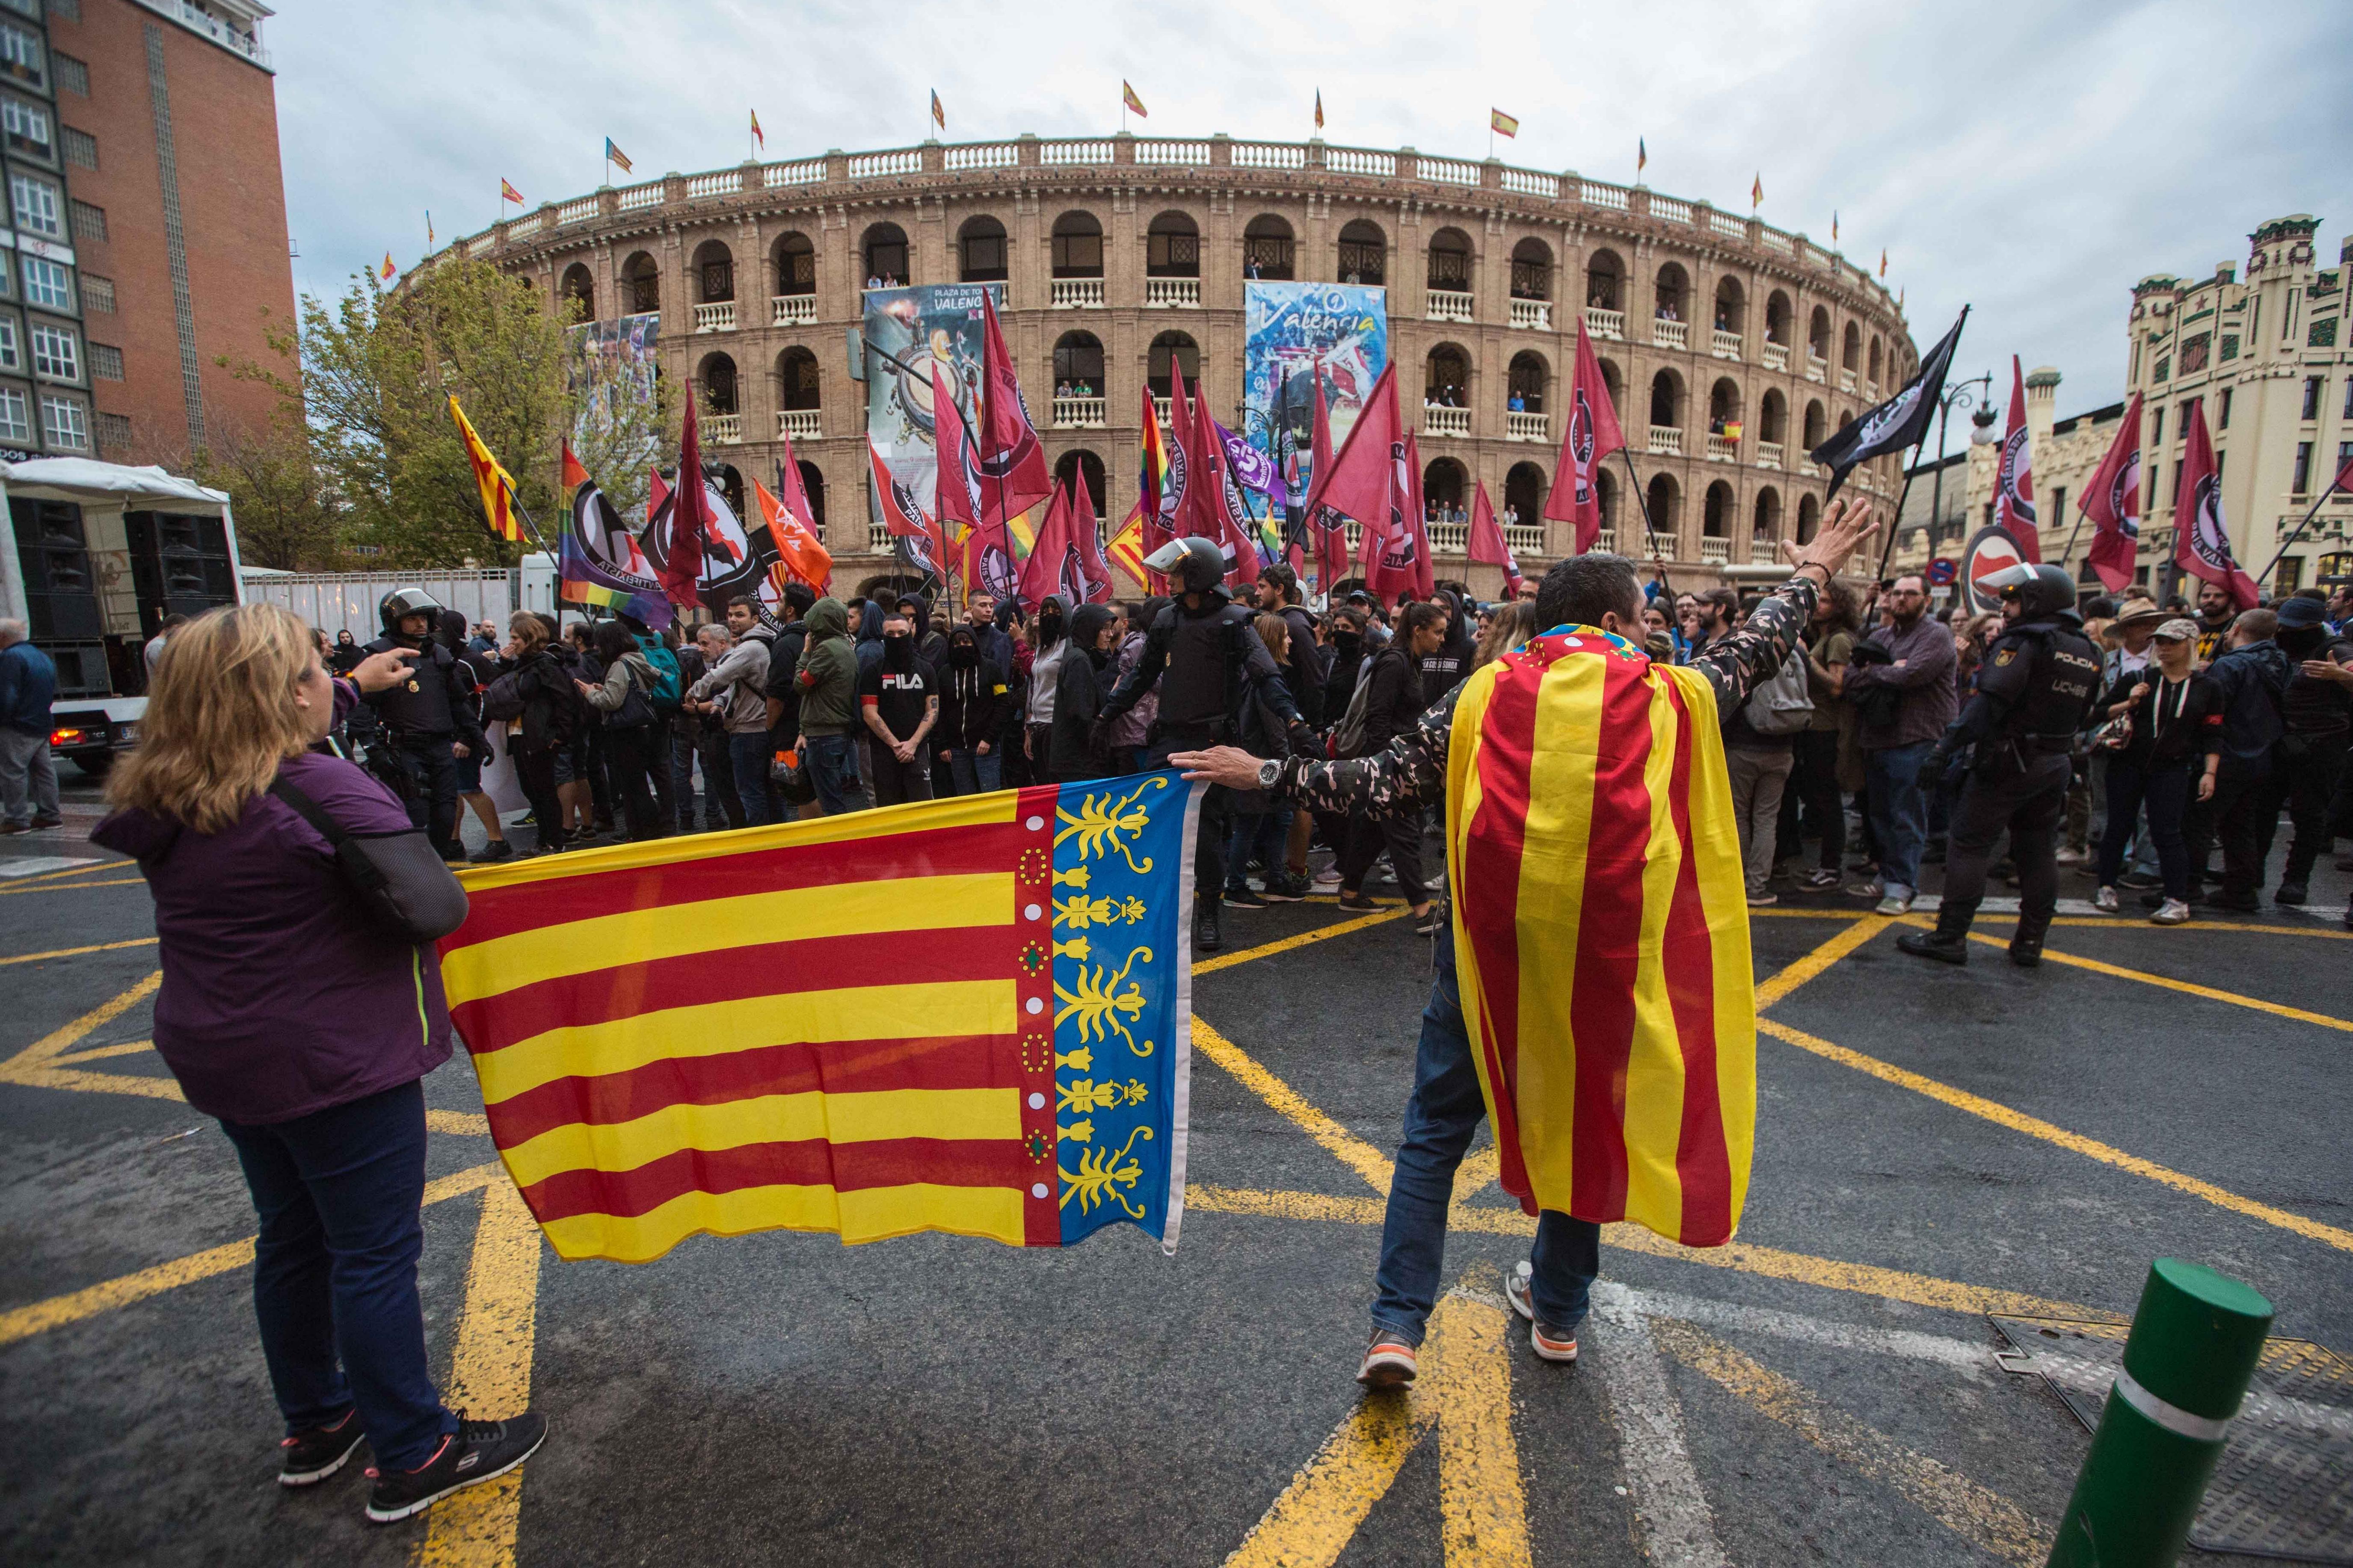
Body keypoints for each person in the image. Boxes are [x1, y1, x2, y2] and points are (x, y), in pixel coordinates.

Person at [1171, 500, 1880, 1385]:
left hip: (1483, 964)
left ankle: (1396, 1328)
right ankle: (1556, 1315)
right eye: (1647, 620)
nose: (1655, 632)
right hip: (1606, 973)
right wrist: (1810, 567)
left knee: (1433, 1133)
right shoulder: (1673, 693)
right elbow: (1764, 642)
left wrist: (1262, 771)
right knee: (1583, 1129)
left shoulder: (1483, 693)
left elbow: (1375, 784)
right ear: (1618, 622)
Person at [91, 604, 548, 1521]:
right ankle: (416, 1450)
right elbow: (435, 906)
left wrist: (348, 689)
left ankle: (316, 1421)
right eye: (311, 673)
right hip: (331, 1057)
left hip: (223, 1049)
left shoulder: (167, 790)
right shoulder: (325, 791)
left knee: (290, 1236)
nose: (324, 685)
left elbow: (259, 744)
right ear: (280, 692)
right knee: (372, 1252)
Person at [1093, 536, 1311, 954]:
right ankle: (1144, 912)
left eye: (1176, 573)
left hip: (1211, 744)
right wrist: (1108, 714)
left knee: (1207, 837)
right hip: (1167, 739)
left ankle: (1208, 913)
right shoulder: (1166, 622)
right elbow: (1141, 675)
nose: (1169, 581)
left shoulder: (1235, 622)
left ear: (1196, 576)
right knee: (1148, 826)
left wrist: (1292, 719)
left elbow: (1267, 678)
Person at [1895, 564, 2101, 966]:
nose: (2005, 608)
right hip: (2055, 761)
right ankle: (2030, 942)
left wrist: (1944, 749)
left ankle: (1950, 938)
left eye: (2013, 599)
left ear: (2037, 600)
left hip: (2008, 761)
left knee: (1969, 844)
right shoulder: (2087, 650)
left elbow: (1988, 705)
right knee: (2039, 851)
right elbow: (2086, 714)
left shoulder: (2025, 642)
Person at [2091, 618, 2223, 923]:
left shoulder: (2208, 687)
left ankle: (2177, 898)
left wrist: (2210, 772)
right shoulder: (2139, 677)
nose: (2163, 648)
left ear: (2190, 644)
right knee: (2118, 827)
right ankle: (2106, 887)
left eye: (2172, 642)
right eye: (2160, 642)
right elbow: (2098, 714)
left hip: (2173, 768)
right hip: (2127, 764)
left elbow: (2214, 733)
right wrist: (2130, 701)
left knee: (2167, 832)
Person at [1840, 574, 1956, 914]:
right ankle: (1887, 876)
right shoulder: (1880, 636)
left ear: (1927, 600)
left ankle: (1903, 885)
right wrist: (1889, 669)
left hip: (1916, 738)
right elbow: (1849, 680)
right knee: (1881, 814)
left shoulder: (1937, 635)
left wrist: (1877, 671)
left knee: (1907, 816)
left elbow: (1913, 675)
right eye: (1897, 594)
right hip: (1878, 738)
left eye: (1910, 594)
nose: (1901, 599)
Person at [1336, 602, 1444, 932]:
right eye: (1438, 632)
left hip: (1398, 761)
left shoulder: (1410, 662)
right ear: (1418, 631)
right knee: (1405, 834)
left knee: (1371, 832)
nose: (1442, 639)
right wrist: (1387, 766)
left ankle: (1351, 892)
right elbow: (1378, 716)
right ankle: (1424, 912)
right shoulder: (1395, 663)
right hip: (1390, 764)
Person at [360, 590, 485, 864]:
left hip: (441, 748)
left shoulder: (439, 655)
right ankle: (416, 876)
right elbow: (361, 707)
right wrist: (372, 748)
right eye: (413, 618)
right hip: (404, 750)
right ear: (395, 621)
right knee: (415, 817)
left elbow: (458, 702)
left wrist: (476, 737)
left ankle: (438, 872)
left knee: (445, 817)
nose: (421, 625)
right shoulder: (379, 655)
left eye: (424, 618)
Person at [2187, 607, 2288, 910]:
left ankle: (2187, 887)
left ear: (2237, 629)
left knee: (2199, 823)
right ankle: (2242, 888)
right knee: (2240, 824)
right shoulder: (2280, 662)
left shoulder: (2230, 666)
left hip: (2226, 754)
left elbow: (2213, 711)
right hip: (2261, 754)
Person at [2261, 593, 2353, 905]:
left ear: (2314, 627)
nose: (2286, 633)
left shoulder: (2334, 649)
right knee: (2263, 808)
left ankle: (2296, 881)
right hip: (2282, 741)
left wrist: (2342, 675)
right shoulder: (2281, 650)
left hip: (2321, 745)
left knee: (2309, 816)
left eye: (2294, 628)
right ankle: (2250, 873)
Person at [1221, 612, 1302, 909]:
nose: (1290, 640)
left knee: (1280, 818)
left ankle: (1276, 879)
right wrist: (1288, 765)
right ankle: (1236, 886)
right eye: (1285, 636)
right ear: (1272, 640)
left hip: (1260, 759)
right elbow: (1275, 727)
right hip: (1262, 762)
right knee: (1250, 823)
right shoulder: (1265, 680)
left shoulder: (1257, 675)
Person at [1789, 578, 1859, 890]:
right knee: (1818, 799)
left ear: (1840, 607)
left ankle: (1831, 868)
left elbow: (1837, 686)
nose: (1819, 606)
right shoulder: (1824, 636)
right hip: (1814, 728)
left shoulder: (1840, 641)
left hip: (1826, 731)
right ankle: (1825, 866)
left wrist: (1806, 657)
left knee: (1829, 801)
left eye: (1827, 601)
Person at [688, 595, 777, 827]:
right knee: (767, 791)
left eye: (740, 615)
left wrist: (695, 691)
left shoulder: (750, 648)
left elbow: (721, 676)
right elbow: (735, 685)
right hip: (759, 726)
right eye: (730, 615)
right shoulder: (761, 644)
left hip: (750, 730)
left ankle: (759, 845)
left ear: (755, 618)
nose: (733, 620)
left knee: (751, 792)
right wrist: (720, 703)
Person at [573, 621, 663, 840]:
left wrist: (590, 694)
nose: (597, 648)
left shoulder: (619, 666)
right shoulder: (638, 660)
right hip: (642, 728)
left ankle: (644, 832)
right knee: (638, 783)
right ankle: (642, 830)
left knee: (633, 785)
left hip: (625, 731)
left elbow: (612, 701)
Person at [860, 606, 939, 804]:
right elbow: (870, 713)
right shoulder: (873, 671)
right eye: (891, 634)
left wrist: (912, 744)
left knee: (922, 808)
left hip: (918, 750)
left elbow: (933, 709)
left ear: (911, 632)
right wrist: (896, 746)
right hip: (884, 752)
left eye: (902, 633)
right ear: (884, 636)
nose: (897, 637)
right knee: (889, 809)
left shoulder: (926, 669)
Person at [794, 598, 861, 815]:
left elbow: (800, 684)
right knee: (831, 795)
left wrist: (805, 653)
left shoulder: (827, 651)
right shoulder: (843, 646)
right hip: (832, 733)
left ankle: (840, 845)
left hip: (824, 736)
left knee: (830, 801)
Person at [0, 618, 59, 833]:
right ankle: (50, 816)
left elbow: (7, 696)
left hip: (18, 725)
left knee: (13, 772)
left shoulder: (10, 657)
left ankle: (16, 820)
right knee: (44, 771)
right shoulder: (40, 656)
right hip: (42, 722)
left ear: (3, 637)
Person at [934, 624, 1009, 794]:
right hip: (956, 749)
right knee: (965, 798)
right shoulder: (944, 673)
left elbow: (1003, 704)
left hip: (986, 747)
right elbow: (938, 710)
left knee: (991, 795)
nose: (962, 646)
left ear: (974, 643)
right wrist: (942, 745)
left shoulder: (991, 669)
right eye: (957, 643)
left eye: (967, 641)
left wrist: (989, 738)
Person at [1050, 603, 1120, 782]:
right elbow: (1081, 712)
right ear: (1090, 629)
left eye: (1111, 629)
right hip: (1078, 763)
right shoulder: (1079, 660)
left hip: (1077, 760)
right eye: (1104, 629)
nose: (1110, 635)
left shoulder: (1082, 657)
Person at [1024, 596, 1068, 779]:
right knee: (1041, 780)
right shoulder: (1042, 648)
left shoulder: (1069, 647)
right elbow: (1034, 688)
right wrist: (1029, 728)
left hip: (1056, 725)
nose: (1050, 616)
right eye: (1045, 612)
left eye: (1056, 612)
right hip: (1037, 725)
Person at [2191, 580, 2238, 666]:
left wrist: (2213, 668)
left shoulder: (2238, 630)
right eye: (2206, 596)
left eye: (2219, 596)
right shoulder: (2191, 628)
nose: (2211, 600)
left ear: (2231, 600)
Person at [144, 612, 188, 678]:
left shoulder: (166, 644)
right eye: (183, 629)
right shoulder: (156, 646)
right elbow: (166, 670)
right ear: (175, 627)